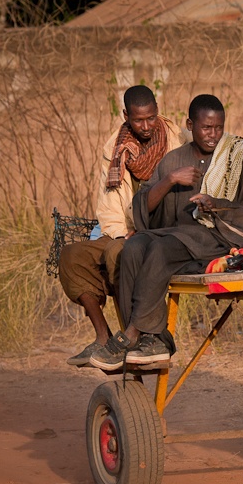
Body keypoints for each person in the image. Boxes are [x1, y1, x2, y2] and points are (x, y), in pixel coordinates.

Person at [89, 94, 243, 369]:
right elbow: (143, 206)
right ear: (190, 125)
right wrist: (170, 180)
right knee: (133, 248)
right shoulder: (174, 160)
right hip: (178, 235)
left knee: (159, 248)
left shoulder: (237, 155)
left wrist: (215, 204)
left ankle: (132, 333)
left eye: (219, 127)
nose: (213, 135)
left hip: (219, 236)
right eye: (206, 128)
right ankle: (153, 339)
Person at [59, 85, 183, 366]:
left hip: (164, 230)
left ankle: (138, 337)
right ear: (126, 115)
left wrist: (135, 237)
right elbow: (109, 204)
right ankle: (103, 337)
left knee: (119, 253)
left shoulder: (178, 140)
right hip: (125, 228)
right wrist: (121, 233)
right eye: (138, 120)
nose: (146, 125)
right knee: (72, 256)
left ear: (157, 112)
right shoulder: (114, 149)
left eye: (151, 118)